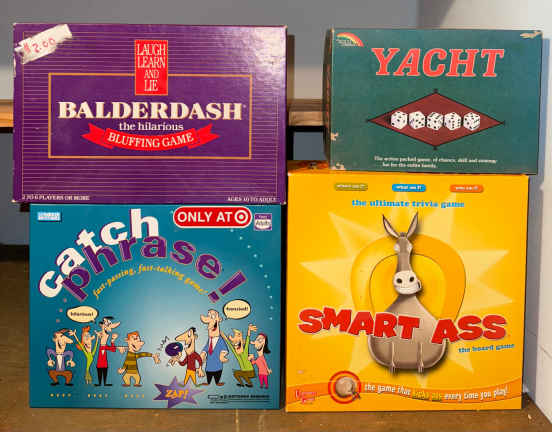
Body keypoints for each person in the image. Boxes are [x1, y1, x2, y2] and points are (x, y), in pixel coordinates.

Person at [199, 309, 228, 386]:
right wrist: (203, 353)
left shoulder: (220, 340)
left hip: (217, 364)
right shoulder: (209, 340)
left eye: (212, 316)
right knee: (209, 374)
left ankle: (217, 382)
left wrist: (222, 355)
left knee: (217, 374)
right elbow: (205, 349)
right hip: (209, 364)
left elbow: (224, 349)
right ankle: (208, 382)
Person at [95, 316, 120, 386]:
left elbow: (103, 330)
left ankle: (103, 383)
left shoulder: (105, 332)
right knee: (100, 365)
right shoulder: (103, 331)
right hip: (102, 347)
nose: (102, 325)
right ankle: (100, 383)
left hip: (103, 347)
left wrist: (112, 340)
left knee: (102, 365)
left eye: (104, 322)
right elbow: (101, 332)